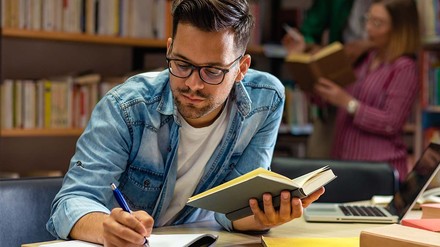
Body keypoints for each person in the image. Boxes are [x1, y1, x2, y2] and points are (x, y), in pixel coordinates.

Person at [46, 0, 324, 245]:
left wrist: (263, 217)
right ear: (169, 48)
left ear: (241, 69)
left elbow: (233, 211)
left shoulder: (265, 100)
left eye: (212, 71)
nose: (193, 84)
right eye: (181, 64)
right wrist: (106, 229)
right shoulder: (126, 107)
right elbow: (70, 203)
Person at [313, 0, 420, 181]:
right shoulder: (364, 59)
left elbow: (391, 122)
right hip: (345, 164)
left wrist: (349, 103)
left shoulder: (404, 67)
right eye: (367, 20)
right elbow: (333, 98)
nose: (369, 28)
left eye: (378, 23)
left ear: (399, 29)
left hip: (377, 170)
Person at [282, 0, 373, 159]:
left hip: (367, 79)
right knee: (319, 156)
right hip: (337, 74)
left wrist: (367, 45)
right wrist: (307, 47)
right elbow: (309, 30)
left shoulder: (399, 67)